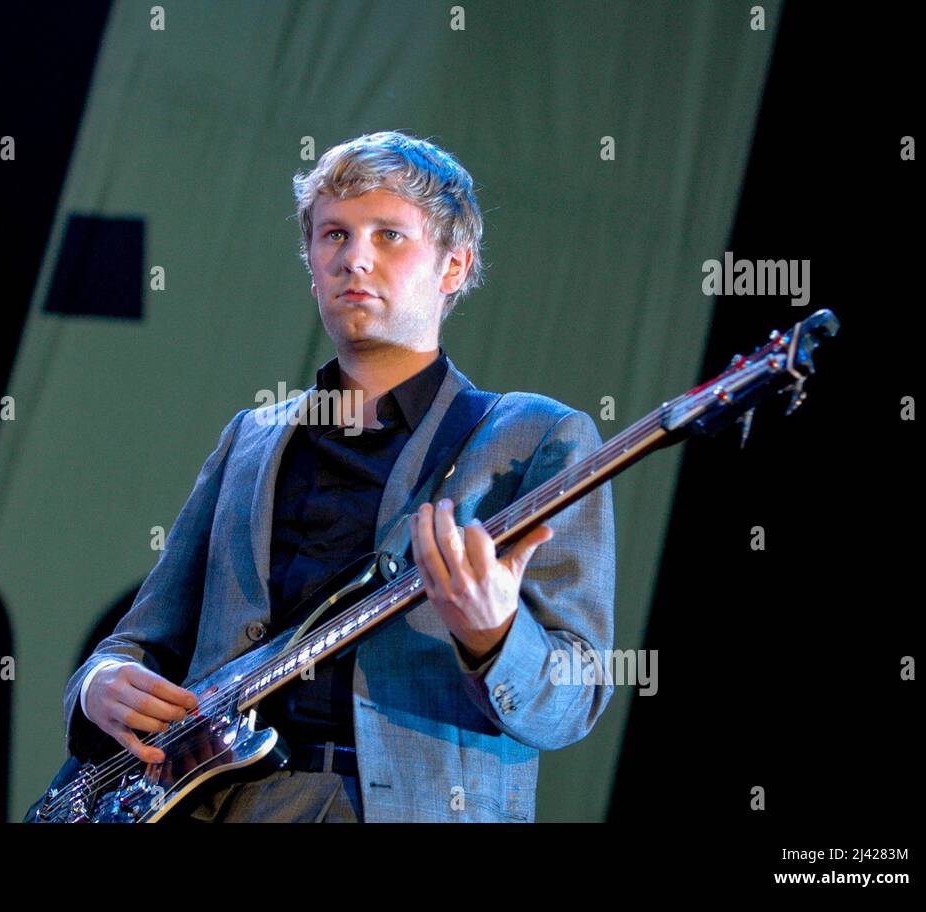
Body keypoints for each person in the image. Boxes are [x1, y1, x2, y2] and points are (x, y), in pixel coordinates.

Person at [62, 130, 616, 822]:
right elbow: (141, 639)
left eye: (389, 236)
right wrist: (99, 683)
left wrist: (494, 632)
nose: (355, 258)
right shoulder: (252, 437)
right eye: (334, 236)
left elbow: (578, 692)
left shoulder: (535, 439)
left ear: (454, 266)